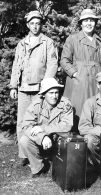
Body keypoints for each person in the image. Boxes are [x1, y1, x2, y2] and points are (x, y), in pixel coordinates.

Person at [9, 11, 58, 166]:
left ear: (41, 24)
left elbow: (52, 64)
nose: (35, 26)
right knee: (22, 121)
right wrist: (13, 86)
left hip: (39, 89)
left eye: (38, 23)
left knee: (39, 121)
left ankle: (40, 154)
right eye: (32, 23)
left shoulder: (47, 42)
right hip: (23, 88)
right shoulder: (21, 44)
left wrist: (46, 85)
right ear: (28, 25)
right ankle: (24, 155)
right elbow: (16, 65)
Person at [60, 9, 101, 125]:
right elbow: (64, 60)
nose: (89, 23)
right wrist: (76, 74)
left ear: (95, 23)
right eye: (86, 20)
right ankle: (75, 140)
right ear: (81, 23)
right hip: (78, 82)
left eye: (91, 20)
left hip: (96, 81)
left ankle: (95, 136)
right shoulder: (72, 39)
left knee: (96, 110)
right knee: (77, 110)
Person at [19, 78, 73, 177]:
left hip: (58, 140)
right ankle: (39, 167)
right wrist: (42, 136)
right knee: (24, 140)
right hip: (41, 142)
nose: (54, 96)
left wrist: (44, 129)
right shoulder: (35, 105)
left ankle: (58, 162)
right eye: (51, 93)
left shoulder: (65, 104)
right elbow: (26, 126)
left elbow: (67, 125)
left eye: (56, 92)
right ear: (43, 94)